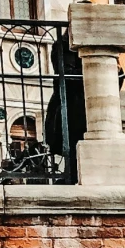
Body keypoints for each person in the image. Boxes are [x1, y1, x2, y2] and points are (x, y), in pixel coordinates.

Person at [42, 22, 85, 182]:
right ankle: (71, 179)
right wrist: (92, 68)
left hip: (87, 109)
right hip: (70, 107)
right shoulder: (61, 46)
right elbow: (67, 76)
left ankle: (73, 178)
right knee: (73, 148)